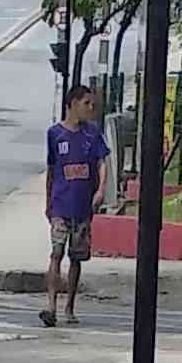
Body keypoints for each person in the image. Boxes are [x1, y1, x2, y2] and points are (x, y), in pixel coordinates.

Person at [42, 80, 107, 331]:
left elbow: (101, 162)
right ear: (72, 104)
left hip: (82, 207)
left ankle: (69, 306)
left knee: (76, 257)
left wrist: (100, 190)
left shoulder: (93, 134)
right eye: (86, 103)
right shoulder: (55, 134)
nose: (90, 108)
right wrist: (48, 202)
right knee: (56, 253)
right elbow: (51, 170)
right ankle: (51, 306)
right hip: (60, 205)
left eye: (92, 104)